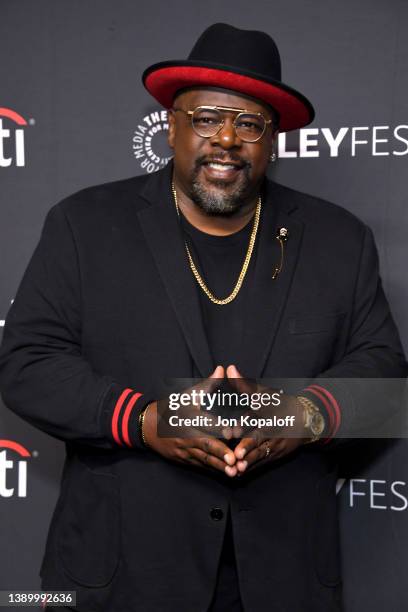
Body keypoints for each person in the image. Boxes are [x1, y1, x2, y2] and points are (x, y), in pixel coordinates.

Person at [0, 22, 406, 612]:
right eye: (207, 117)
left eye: (249, 123)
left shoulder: (339, 240)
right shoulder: (84, 224)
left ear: (273, 141)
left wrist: (298, 413)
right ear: (171, 128)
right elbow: (28, 363)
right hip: (123, 575)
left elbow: (385, 373)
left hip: (283, 578)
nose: (227, 139)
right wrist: (141, 419)